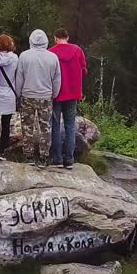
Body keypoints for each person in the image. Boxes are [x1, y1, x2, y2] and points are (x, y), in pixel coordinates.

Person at [14, 29, 61, 168]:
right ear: (46, 41)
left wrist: (18, 94)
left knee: (27, 127)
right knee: (45, 127)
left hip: (27, 96)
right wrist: (54, 94)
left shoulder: (24, 56)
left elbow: (19, 77)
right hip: (46, 97)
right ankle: (43, 157)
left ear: (31, 40)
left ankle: (28, 155)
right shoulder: (53, 57)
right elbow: (57, 78)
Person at [49, 28, 88, 169]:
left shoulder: (51, 52)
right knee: (70, 126)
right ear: (67, 37)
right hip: (73, 93)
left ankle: (57, 159)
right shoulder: (77, 50)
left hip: (56, 94)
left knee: (55, 126)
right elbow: (84, 71)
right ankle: (69, 159)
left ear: (55, 38)